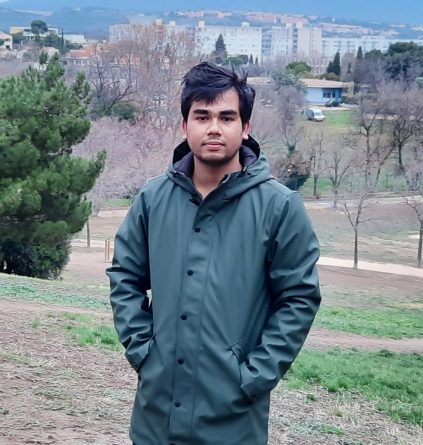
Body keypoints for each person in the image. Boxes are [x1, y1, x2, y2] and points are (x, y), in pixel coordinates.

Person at [106, 62, 321, 445]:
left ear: (246, 127)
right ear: (184, 125)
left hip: (233, 421)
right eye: (201, 116)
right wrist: (144, 351)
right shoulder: (153, 199)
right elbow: (125, 277)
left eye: (227, 116)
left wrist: (255, 374)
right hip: (155, 419)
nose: (214, 128)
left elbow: (298, 298)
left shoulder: (280, 207)